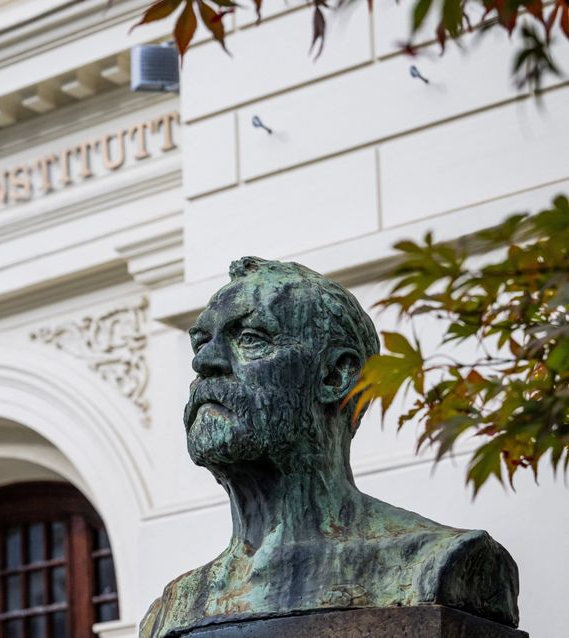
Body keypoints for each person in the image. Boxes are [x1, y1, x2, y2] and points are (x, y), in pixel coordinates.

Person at [140, 257, 519, 638]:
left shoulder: (437, 564)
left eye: (250, 339)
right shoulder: (172, 610)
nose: (205, 361)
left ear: (337, 374)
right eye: (201, 343)